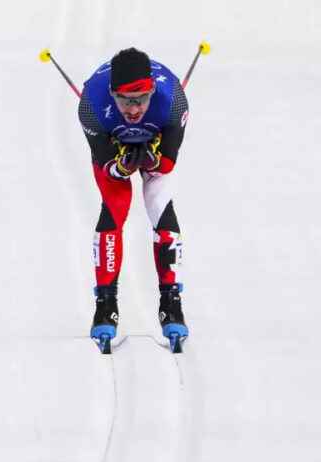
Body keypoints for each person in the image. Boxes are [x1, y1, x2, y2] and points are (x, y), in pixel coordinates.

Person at [78, 47, 189, 348]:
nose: (134, 109)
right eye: (125, 101)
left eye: (142, 99)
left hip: (155, 144)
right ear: (112, 94)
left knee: (159, 206)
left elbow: (167, 163)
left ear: (153, 90)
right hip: (114, 148)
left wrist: (151, 160)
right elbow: (105, 163)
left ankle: (171, 303)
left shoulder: (174, 100)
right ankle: (105, 305)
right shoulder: (90, 104)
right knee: (115, 207)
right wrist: (121, 165)